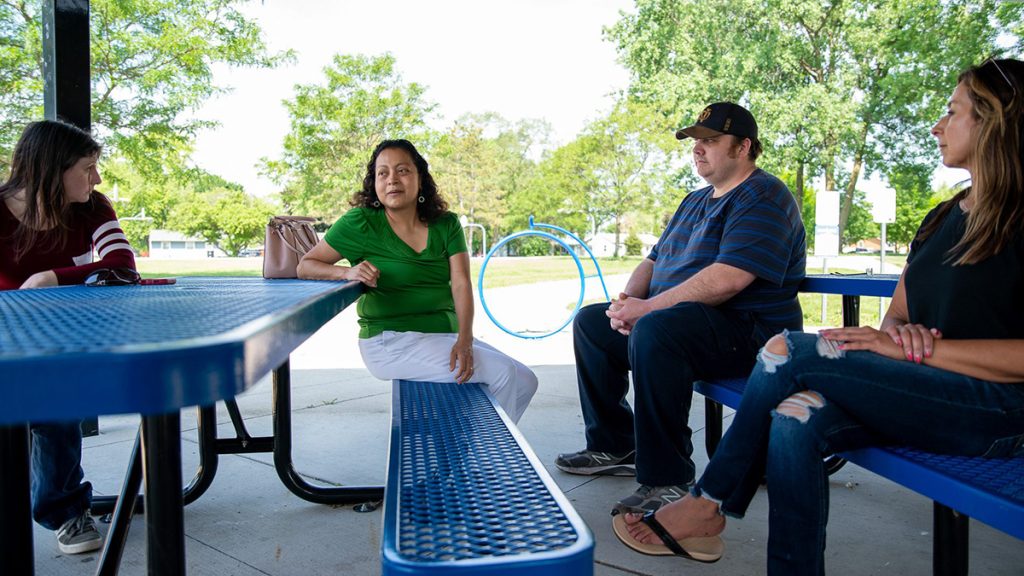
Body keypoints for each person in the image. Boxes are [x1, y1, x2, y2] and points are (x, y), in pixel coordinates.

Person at [615, 59, 1024, 574]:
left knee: (788, 348)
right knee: (795, 417)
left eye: (952, 112)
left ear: (996, 120)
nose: (937, 126)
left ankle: (707, 501)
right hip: (923, 386)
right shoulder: (944, 216)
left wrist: (914, 347)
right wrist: (902, 335)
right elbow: (897, 315)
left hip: (1000, 411)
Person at [555, 102, 807, 515]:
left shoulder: (764, 196)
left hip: (750, 333)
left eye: (711, 141)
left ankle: (668, 479)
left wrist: (648, 310)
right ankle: (615, 446)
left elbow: (729, 278)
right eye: (696, 142)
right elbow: (653, 261)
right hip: (690, 324)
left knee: (659, 330)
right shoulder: (694, 201)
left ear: (744, 147)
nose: (698, 149)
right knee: (592, 323)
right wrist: (625, 304)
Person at [297, 139, 538, 422]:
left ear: (420, 178)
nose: (392, 180)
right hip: (390, 341)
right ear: (374, 182)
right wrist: (346, 272)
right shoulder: (360, 222)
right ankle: (476, 457)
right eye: (382, 173)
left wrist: (465, 338)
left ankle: (469, 440)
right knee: (502, 373)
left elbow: (461, 283)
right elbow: (306, 265)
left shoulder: (446, 224)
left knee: (525, 380)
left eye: (403, 171)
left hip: (442, 336)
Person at [1, 119, 136, 554]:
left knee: (58, 407)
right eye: (87, 167)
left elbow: (122, 266)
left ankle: (64, 511)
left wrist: (53, 277)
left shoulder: (93, 207)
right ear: (51, 168)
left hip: (57, 339)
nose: (96, 178)